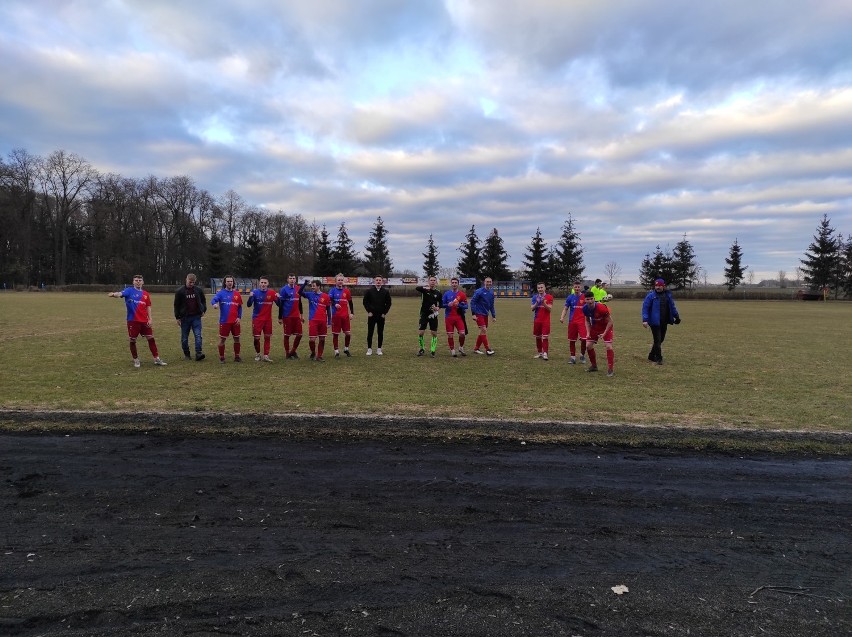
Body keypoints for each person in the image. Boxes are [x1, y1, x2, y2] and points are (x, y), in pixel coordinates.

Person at [108, 274, 167, 368]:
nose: (138, 282)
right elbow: (120, 294)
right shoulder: (129, 290)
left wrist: (150, 318)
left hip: (145, 321)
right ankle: (136, 360)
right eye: (136, 280)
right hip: (133, 321)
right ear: (133, 282)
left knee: (151, 338)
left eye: (140, 280)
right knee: (132, 340)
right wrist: (114, 294)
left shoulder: (146, 294)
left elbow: (148, 307)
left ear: (143, 282)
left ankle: (156, 358)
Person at [642, 278, 681, 365]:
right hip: (654, 322)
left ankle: (651, 356)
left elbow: (672, 307)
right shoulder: (651, 296)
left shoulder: (668, 296)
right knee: (657, 340)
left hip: (664, 321)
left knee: (661, 339)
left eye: (659, 285)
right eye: (656, 285)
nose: (657, 287)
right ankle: (659, 359)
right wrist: (645, 320)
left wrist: (677, 317)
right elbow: (645, 308)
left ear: (663, 286)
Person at [173, 273, 207, 361]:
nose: (191, 284)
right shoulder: (180, 292)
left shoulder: (198, 290)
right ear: (186, 280)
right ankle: (187, 354)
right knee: (184, 338)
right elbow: (176, 305)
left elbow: (203, 301)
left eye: (193, 282)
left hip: (196, 317)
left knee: (198, 335)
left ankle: (198, 353)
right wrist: (177, 317)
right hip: (185, 318)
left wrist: (203, 310)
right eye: (190, 282)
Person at [210, 275, 243, 363]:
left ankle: (237, 356)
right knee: (222, 339)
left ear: (233, 282)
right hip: (224, 321)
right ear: (225, 282)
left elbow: (240, 307)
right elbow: (213, 300)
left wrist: (239, 317)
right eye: (228, 281)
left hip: (235, 322)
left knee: (237, 339)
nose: (229, 283)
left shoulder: (237, 294)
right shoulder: (221, 293)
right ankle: (221, 357)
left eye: (231, 281)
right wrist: (214, 304)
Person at [247, 276, 280, 362]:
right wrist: (250, 297)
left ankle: (266, 355)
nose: (263, 284)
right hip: (257, 319)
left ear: (268, 284)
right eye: (262, 282)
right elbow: (248, 305)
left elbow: (279, 305)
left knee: (267, 337)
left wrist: (279, 298)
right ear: (259, 283)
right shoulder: (254, 292)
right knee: (256, 338)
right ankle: (258, 354)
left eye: (265, 283)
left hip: (268, 320)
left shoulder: (272, 293)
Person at [300, 279, 332, 362]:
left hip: (323, 321)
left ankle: (319, 356)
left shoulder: (326, 296)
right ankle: (313, 352)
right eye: (311, 286)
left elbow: (328, 310)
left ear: (318, 286)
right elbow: (300, 292)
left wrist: (329, 322)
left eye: (314, 286)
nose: (312, 287)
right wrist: (304, 284)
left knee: (322, 339)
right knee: (312, 340)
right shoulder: (310, 295)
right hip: (313, 320)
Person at [583, 293, 615, 376]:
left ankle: (610, 369)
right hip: (595, 327)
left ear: (594, 299)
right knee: (588, 346)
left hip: (606, 327)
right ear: (585, 300)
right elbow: (587, 321)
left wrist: (604, 333)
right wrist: (588, 332)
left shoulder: (601, 308)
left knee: (608, 346)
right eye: (587, 299)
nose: (590, 301)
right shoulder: (585, 308)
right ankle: (594, 366)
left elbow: (610, 321)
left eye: (591, 299)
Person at [559, 280, 587, 364]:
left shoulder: (584, 297)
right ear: (573, 287)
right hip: (572, 322)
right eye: (575, 287)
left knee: (584, 339)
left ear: (580, 287)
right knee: (572, 340)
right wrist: (562, 317)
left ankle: (582, 355)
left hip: (582, 322)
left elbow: (590, 307)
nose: (577, 288)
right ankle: (572, 357)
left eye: (578, 287)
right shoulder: (570, 297)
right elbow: (565, 308)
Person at [362, 275, 391, 355]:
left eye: (380, 280)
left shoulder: (385, 292)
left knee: (380, 332)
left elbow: (388, 303)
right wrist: (369, 311)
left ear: (382, 281)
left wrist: (384, 313)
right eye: (377, 280)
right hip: (372, 315)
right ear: (374, 281)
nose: (378, 281)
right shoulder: (369, 291)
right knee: (370, 332)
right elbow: (365, 302)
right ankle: (369, 349)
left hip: (381, 316)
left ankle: (379, 349)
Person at [277, 273, 304, 360]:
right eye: (290, 278)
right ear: (287, 280)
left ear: (295, 280)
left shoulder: (298, 288)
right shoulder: (284, 290)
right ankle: (287, 353)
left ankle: (293, 351)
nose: (292, 279)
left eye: (293, 278)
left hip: (296, 316)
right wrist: (280, 317)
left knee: (299, 334)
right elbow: (281, 304)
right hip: (287, 316)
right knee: (287, 335)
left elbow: (300, 303)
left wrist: (302, 315)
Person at [415, 275, 442, 357]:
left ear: (436, 282)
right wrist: (425, 287)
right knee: (421, 332)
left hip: (433, 315)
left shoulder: (438, 293)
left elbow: (441, 303)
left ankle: (433, 350)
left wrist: (438, 307)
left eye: (434, 280)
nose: (432, 282)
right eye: (431, 280)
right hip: (424, 314)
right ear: (428, 281)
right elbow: (417, 288)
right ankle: (422, 349)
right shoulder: (425, 290)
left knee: (434, 333)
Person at [328, 273, 355, 358]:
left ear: (343, 281)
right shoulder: (332, 291)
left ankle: (346, 349)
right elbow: (329, 300)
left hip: (345, 316)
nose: (340, 281)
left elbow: (350, 302)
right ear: (335, 281)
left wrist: (352, 313)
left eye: (341, 280)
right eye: (338, 280)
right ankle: (336, 351)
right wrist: (335, 304)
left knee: (348, 334)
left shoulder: (346, 291)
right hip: (336, 316)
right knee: (335, 334)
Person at [442, 277, 468, 357]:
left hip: (459, 317)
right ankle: (452, 350)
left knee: (462, 334)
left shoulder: (462, 294)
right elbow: (442, 304)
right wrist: (447, 305)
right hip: (449, 317)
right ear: (451, 284)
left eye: (455, 283)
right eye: (452, 283)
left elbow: (466, 306)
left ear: (458, 284)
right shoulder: (447, 294)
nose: (454, 284)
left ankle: (461, 347)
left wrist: (459, 305)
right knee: (450, 335)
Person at [470, 276, 497, 355]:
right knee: (484, 330)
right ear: (484, 283)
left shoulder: (491, 293)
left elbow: (491, 305)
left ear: (491, 283)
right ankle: (488, 349)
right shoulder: (479, 291)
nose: (488, 283)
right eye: (487, 282)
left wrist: (493, 316)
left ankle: (476, 348)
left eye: (490, 282)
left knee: (482, 331)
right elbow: (472, 302)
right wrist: (473, 314)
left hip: (485, 314)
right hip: (479, 314)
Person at [531, 282, 554, 360]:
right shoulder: (535, 297)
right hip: (537, 320)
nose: (540, 289)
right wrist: (537, 302)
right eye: (538, 288)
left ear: (545, 288)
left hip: (545, 320)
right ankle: (540, 353)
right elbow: (532, 308)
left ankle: (545, 353)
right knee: (538, 337)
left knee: (545, 337)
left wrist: (544, 303)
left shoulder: (549, 297)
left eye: (541, 287)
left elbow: (550, 309)